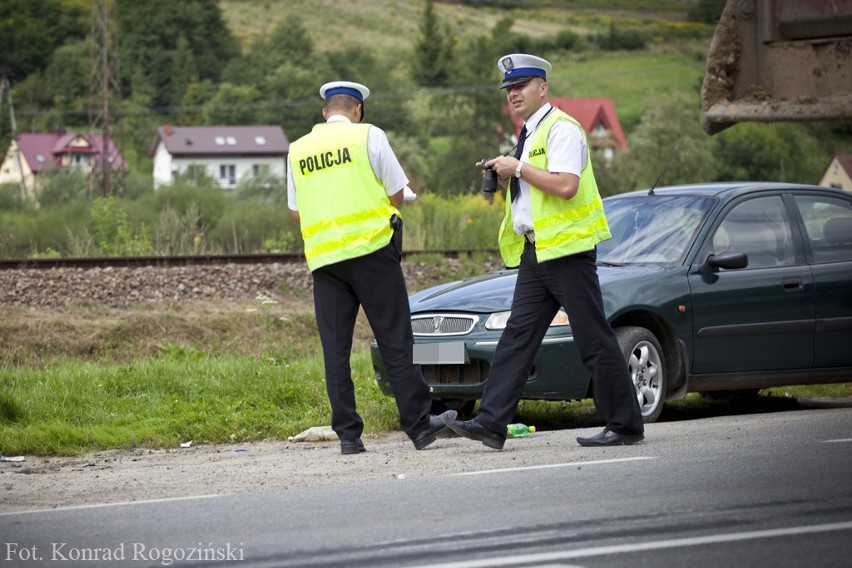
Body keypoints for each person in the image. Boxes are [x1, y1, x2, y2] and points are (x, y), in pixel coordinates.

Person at [443, 54, 645, 449]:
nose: (514, 94)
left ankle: (625, 424)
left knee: (593, 339)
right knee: (516, 338)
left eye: (521, 86)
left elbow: (567, 185)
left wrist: (517, 168)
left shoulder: (562, 129)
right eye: (509, 90)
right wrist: (506, 174)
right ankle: (491, 423)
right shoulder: (530, 135)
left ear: (543, 88)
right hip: (538, 253)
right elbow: (535, 195)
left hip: (568, 252)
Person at [287, 80, 455, 454]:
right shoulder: (368, 136)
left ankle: (348, 435)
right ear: (357, 109)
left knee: (335, 350)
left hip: (325, 262)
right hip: (372, 254)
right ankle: (418, 427)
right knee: (396, 341)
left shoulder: (297, 149)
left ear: (325, 112)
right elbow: (397, 193)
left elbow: (296, 210)